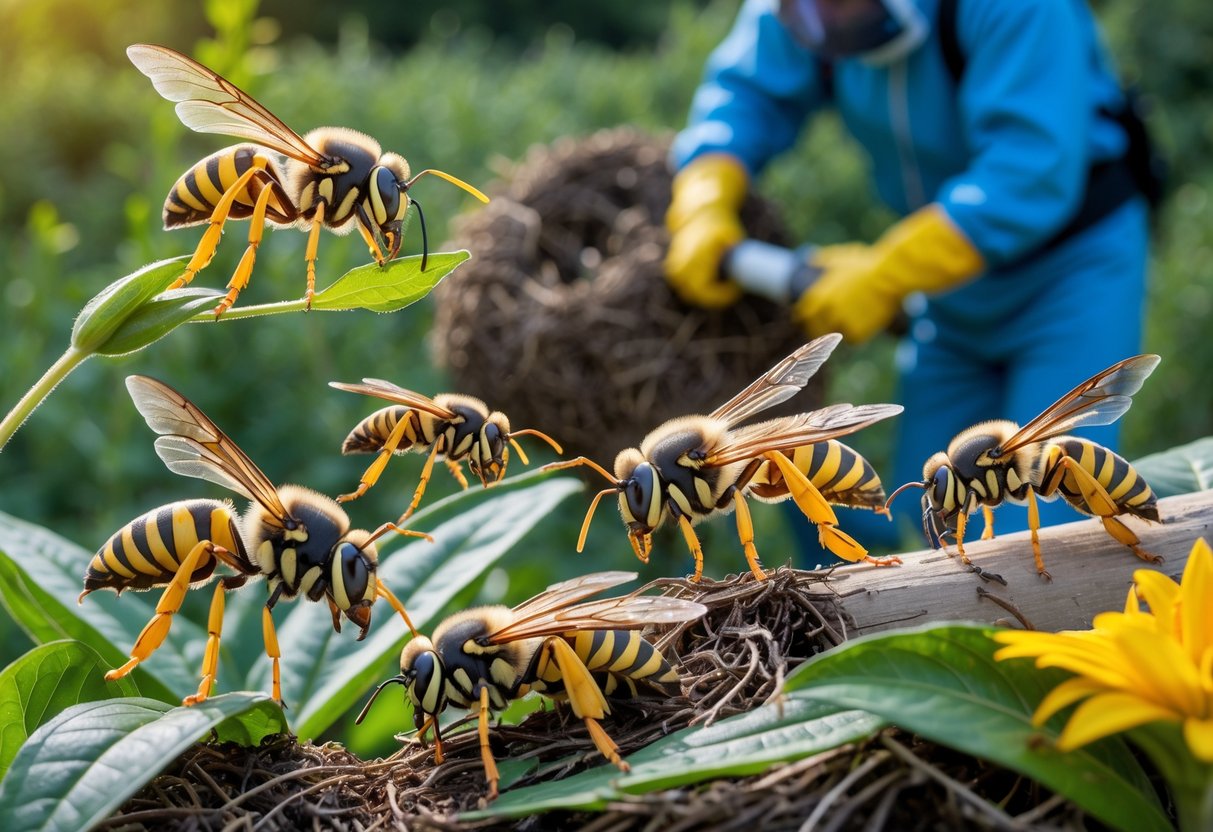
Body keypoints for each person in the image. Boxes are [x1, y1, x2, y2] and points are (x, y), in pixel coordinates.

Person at [664, 0, 1157, 555]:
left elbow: (1029, 173)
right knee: (927, 516)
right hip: (949, 290)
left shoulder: (1016, 10)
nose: (816, 19)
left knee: (1045, 530)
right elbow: (748, 90)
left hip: (1069, 272)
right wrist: (705, 190)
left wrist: (888, 273)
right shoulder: (804, 10)